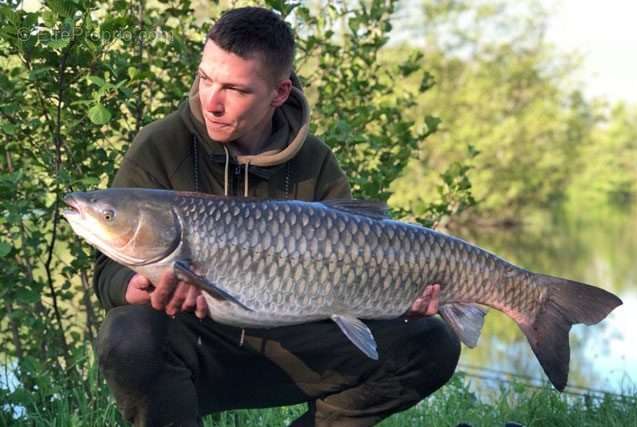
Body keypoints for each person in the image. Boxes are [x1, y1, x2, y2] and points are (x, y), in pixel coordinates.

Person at [94, 7, 460, 427]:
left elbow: (356, 281)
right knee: (128, 333)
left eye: (235, 89)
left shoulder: (315, 162)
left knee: (432, 343)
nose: (211, 101)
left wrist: (402, 300)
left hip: (296, 349)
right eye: (205, 78)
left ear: (279, 92)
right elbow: (107, 274)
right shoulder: (161, 145)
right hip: (198, 345)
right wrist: (135, 286)